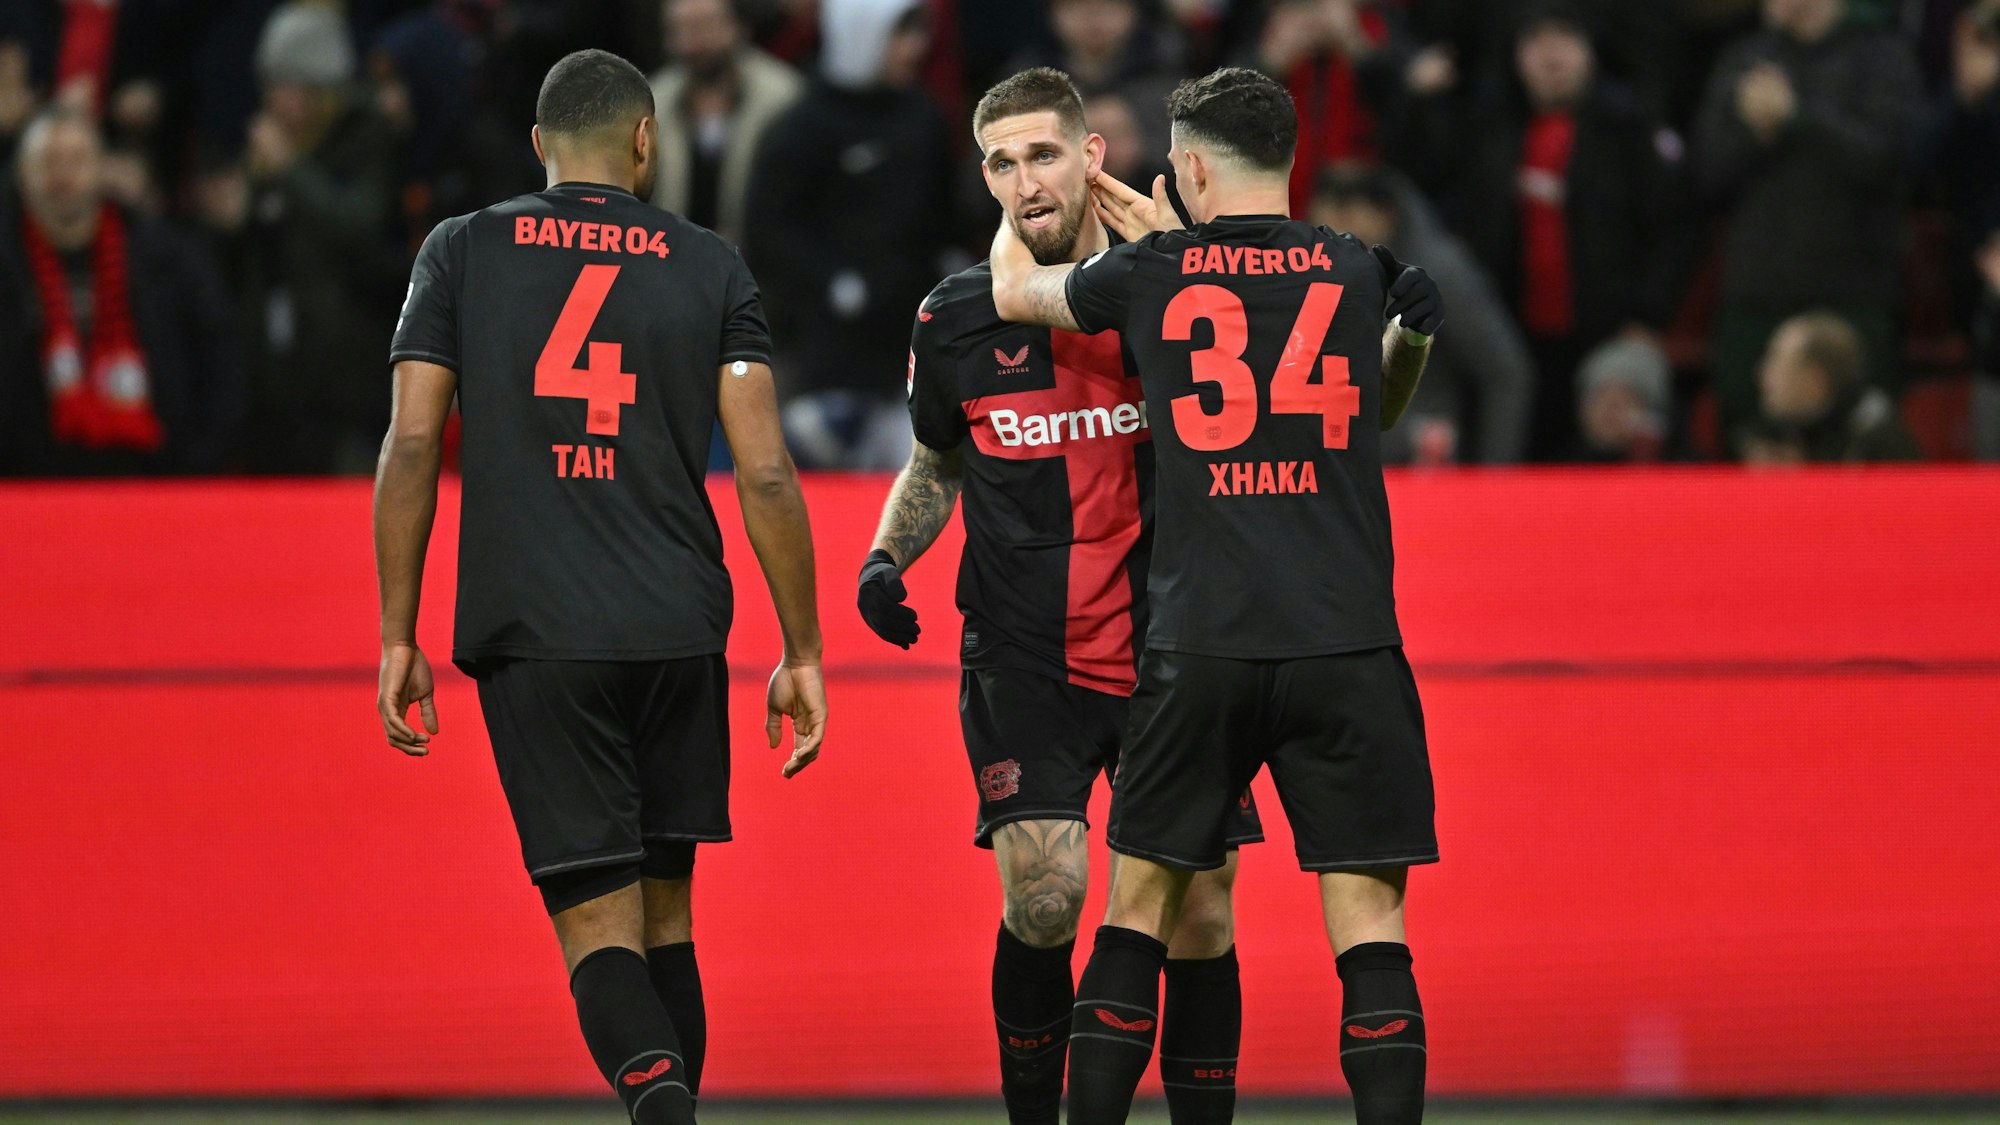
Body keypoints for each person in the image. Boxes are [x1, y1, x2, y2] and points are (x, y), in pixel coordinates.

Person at [373, 49, 827, 1125]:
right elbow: (763, 468)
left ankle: (661, 1112)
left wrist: (398, 631)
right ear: (644, 140)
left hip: (537, 628)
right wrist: (801, 648)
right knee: (668, 922)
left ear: (539, 148)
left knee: (595, 930)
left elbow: (409, 441)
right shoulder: (710, 263)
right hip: (675, 624)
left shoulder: (462, 249)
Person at [990, 67, 1445, 1125]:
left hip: (1200, 645)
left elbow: (1018, 295)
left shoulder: (1150, 273)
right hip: (1344, 643)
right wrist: (1411, 335)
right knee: (1369, 930)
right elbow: (1377, 406)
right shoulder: (1352, 267)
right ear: (1287, 163)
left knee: (1136, 915)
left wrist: (1020, 204)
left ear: (1187, 166)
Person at [857, 68, 1262, 1125]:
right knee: (1046, 903)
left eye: (1042, 153)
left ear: (1090, 156)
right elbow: (936, 463)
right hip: (1023, 654)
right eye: (1001, 160)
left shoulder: (1171, 300)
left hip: (1170, 647)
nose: (1023, 178)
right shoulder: (949, 320)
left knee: (1202, 916)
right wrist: (883, 557)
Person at [1455, 4, 1691, 460]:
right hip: (1515, 334)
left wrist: (1648, 317)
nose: (1551, 54)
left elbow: (1675, 229)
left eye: (1564, 37)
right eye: (1535, 40)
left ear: (1589, 50)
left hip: (1610, 332)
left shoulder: (1629, 129)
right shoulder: (1492, 132)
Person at [1692, 0, 1922, 450]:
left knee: (1856, 454)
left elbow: (1892, 162)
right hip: (1756, 293)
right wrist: (1754, 135)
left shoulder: (1881, 57)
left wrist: (1799, 119)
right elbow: (1704, 174)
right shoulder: (1744, 58)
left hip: (1853, 294)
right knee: (1747, 448)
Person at [744, 0, 954, 469]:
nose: (915, 48)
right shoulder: (799, 128)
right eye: (902, 35)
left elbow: (944, 219)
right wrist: (832, 282)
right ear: (862, 35)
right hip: (822, 356)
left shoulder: (925, 117)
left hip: (911, 349)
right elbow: (768, 231)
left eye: (918, 34)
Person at [0, 105, 243, 475]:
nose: (63, 175)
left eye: (78, 159)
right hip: (26, 483)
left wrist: (202, 460)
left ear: (102, 169)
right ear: (21, 175)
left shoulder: (164, 256)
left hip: (150, 477)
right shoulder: (8, 262)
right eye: (49, 161)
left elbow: (218, 352)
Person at [1314, 165, 1534, 464]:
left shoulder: (1437, 272)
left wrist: (1495, 475)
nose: (1329, 225)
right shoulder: (1318, 269)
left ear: (1386, 214)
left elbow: (1505, 371)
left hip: (1418, 461)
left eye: (1345, 213)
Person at [647, 0, 803, 244]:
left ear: (740, 27)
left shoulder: (783, 98)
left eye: (708, 25)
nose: (697, 42)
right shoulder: (654, 104)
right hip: (673, 257)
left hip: (759, 259)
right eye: (683, 29)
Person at [1744, 309, 1922, 464]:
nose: (1762, 374)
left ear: (1814, 379)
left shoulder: (1881, 448)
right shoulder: (1785, 436)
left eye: (1777, 361)